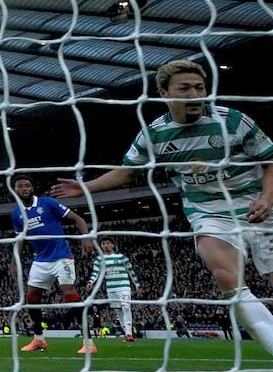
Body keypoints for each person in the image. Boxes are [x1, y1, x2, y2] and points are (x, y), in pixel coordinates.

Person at [53, 58, 273, 354]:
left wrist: (266, 198)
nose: (195, 95)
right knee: (226, 279)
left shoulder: (233, 120)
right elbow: (127, 170)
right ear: (164, 93)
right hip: (207, 213)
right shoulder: (154, 134)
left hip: (257, 208)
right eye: (184, 88)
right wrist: (86, 187)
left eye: (200, 88)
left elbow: (269, 161)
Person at [9, 174, 94, 354]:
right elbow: (20, 240)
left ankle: (88, 342)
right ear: (15, 190)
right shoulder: (16, 213)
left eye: (27, 185)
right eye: (20, 186)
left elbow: (78, 219)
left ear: (32, 188)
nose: (24, 189)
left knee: (68, 292)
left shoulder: (48, 203)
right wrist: (14, 262)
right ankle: (39, 340)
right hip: (40, 260)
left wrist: (86, 237)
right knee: (31, 298)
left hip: (61, 256)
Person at [88, 237, 139, 342]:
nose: (105, 245)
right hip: (111, 288)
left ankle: (129, 334)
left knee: (126, 307)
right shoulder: (99, 259)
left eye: (107, 243)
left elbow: (131, 271)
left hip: (124, 286)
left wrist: (137, 285)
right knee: (118, 311)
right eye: (103, 243)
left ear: (113, 245)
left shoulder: (121, 257)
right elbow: (95, 272)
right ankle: (126, 334)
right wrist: (91, 282)